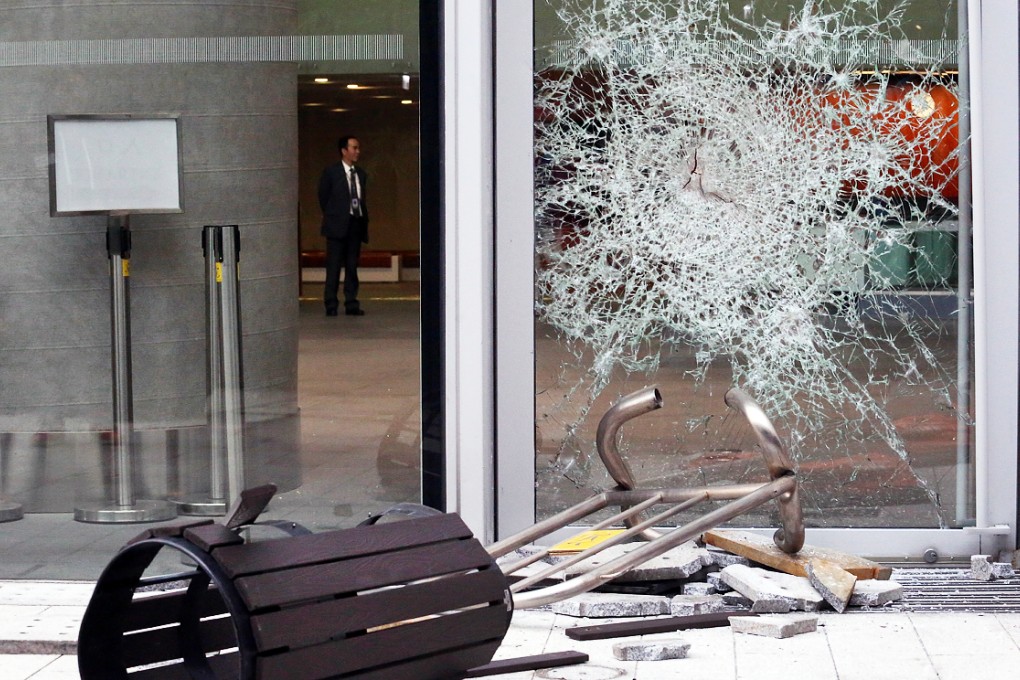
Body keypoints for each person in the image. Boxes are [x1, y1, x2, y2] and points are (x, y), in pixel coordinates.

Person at [318, 135, 369, 316]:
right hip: (337, 225)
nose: (357, 151)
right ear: (344, 150)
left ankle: (351, 302)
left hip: (355, 224)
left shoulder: (361, 174)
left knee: (352, 266)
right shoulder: (331, 172)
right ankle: (331, 303)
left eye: (358, 148)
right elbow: (323, 196)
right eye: (354, 148)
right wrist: (334, 215)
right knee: (333, 266)